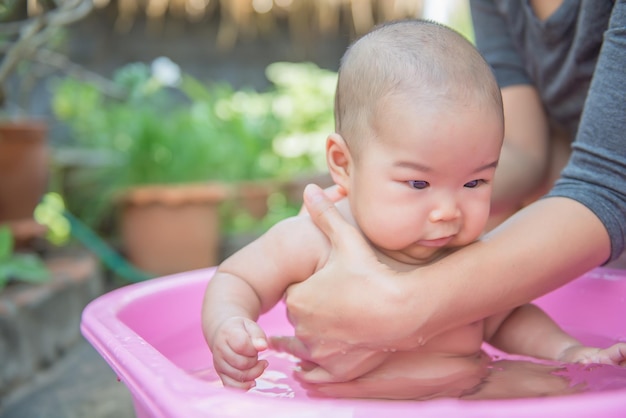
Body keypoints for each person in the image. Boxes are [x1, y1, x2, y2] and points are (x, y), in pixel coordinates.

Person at [201, 19, 626, 399]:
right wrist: (230, 326)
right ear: (343, 164)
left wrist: (569, 352)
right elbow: (239, 278)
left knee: (549, 388)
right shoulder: (313, 238)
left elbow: (505, 319)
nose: (447, 211)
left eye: (475, 182)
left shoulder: (466, 256)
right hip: (346, 402)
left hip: (468, 389)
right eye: (418, 183)